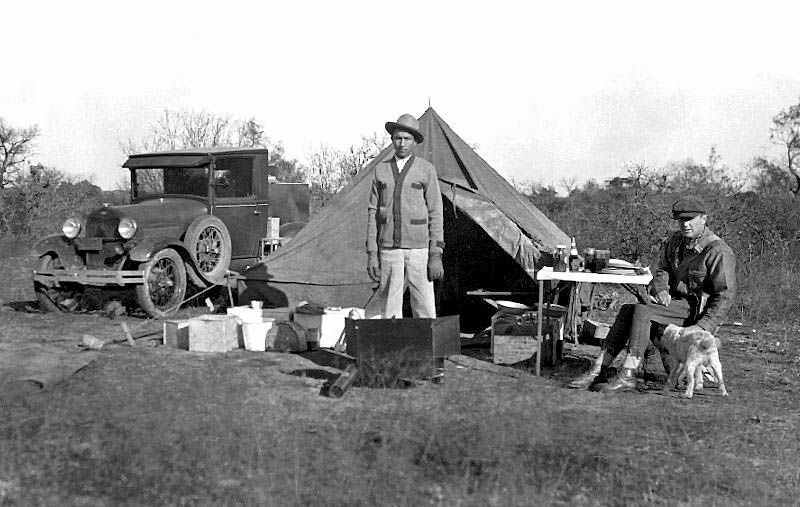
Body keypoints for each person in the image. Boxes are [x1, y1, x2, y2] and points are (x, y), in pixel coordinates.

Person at [569, 196, 737, 392]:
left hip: (695, 311)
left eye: (691, 219)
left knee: (642, 311)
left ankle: (628, 374)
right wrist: (661, 288)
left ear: (704, 219)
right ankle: (597, 370)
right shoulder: (675, 241)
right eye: (681, 220)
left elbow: (725, 295)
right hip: (672, 303)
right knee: (626, 310)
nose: (685, 224)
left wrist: (702, 325)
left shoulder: (717, 250)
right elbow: (662, 270)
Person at [366, 113, 445, 318]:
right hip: (389, 247)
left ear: (415, 142)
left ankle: (427, 347)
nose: (402, 143)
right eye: (398, 138)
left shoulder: (426, 170)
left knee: (424, 303)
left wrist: (435, 254)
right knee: (389, 303)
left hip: (419, 247)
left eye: (407, 139)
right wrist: (372, 254)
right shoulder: (380, 171)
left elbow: (436, 211)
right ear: (392, 140)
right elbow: (373, 212)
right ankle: (392, 345)